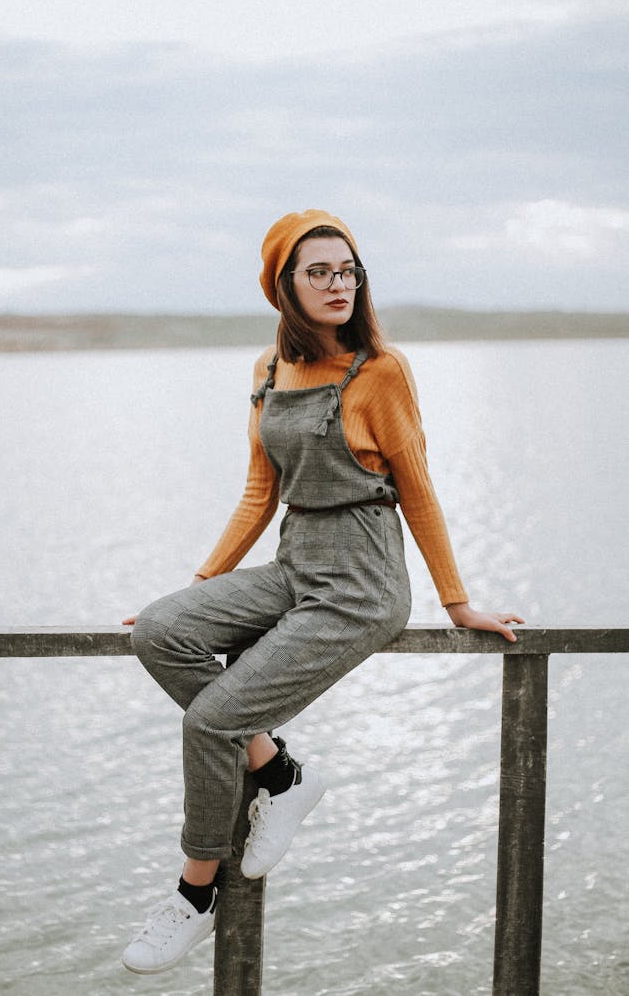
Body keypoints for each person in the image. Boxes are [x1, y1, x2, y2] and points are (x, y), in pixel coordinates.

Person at [120, 209, 524, 976]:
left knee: (213, 718)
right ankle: (279, 773)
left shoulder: (381, 370)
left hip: (362, 582)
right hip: (295, 561)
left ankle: (194, 892)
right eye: (320, 272)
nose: (339, 284)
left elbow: (419, 491)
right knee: (159, 631)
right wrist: (198, 588)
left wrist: (455, 601)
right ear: (285, 285)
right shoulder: (268, 371)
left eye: (349, 270)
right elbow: (256, 493)